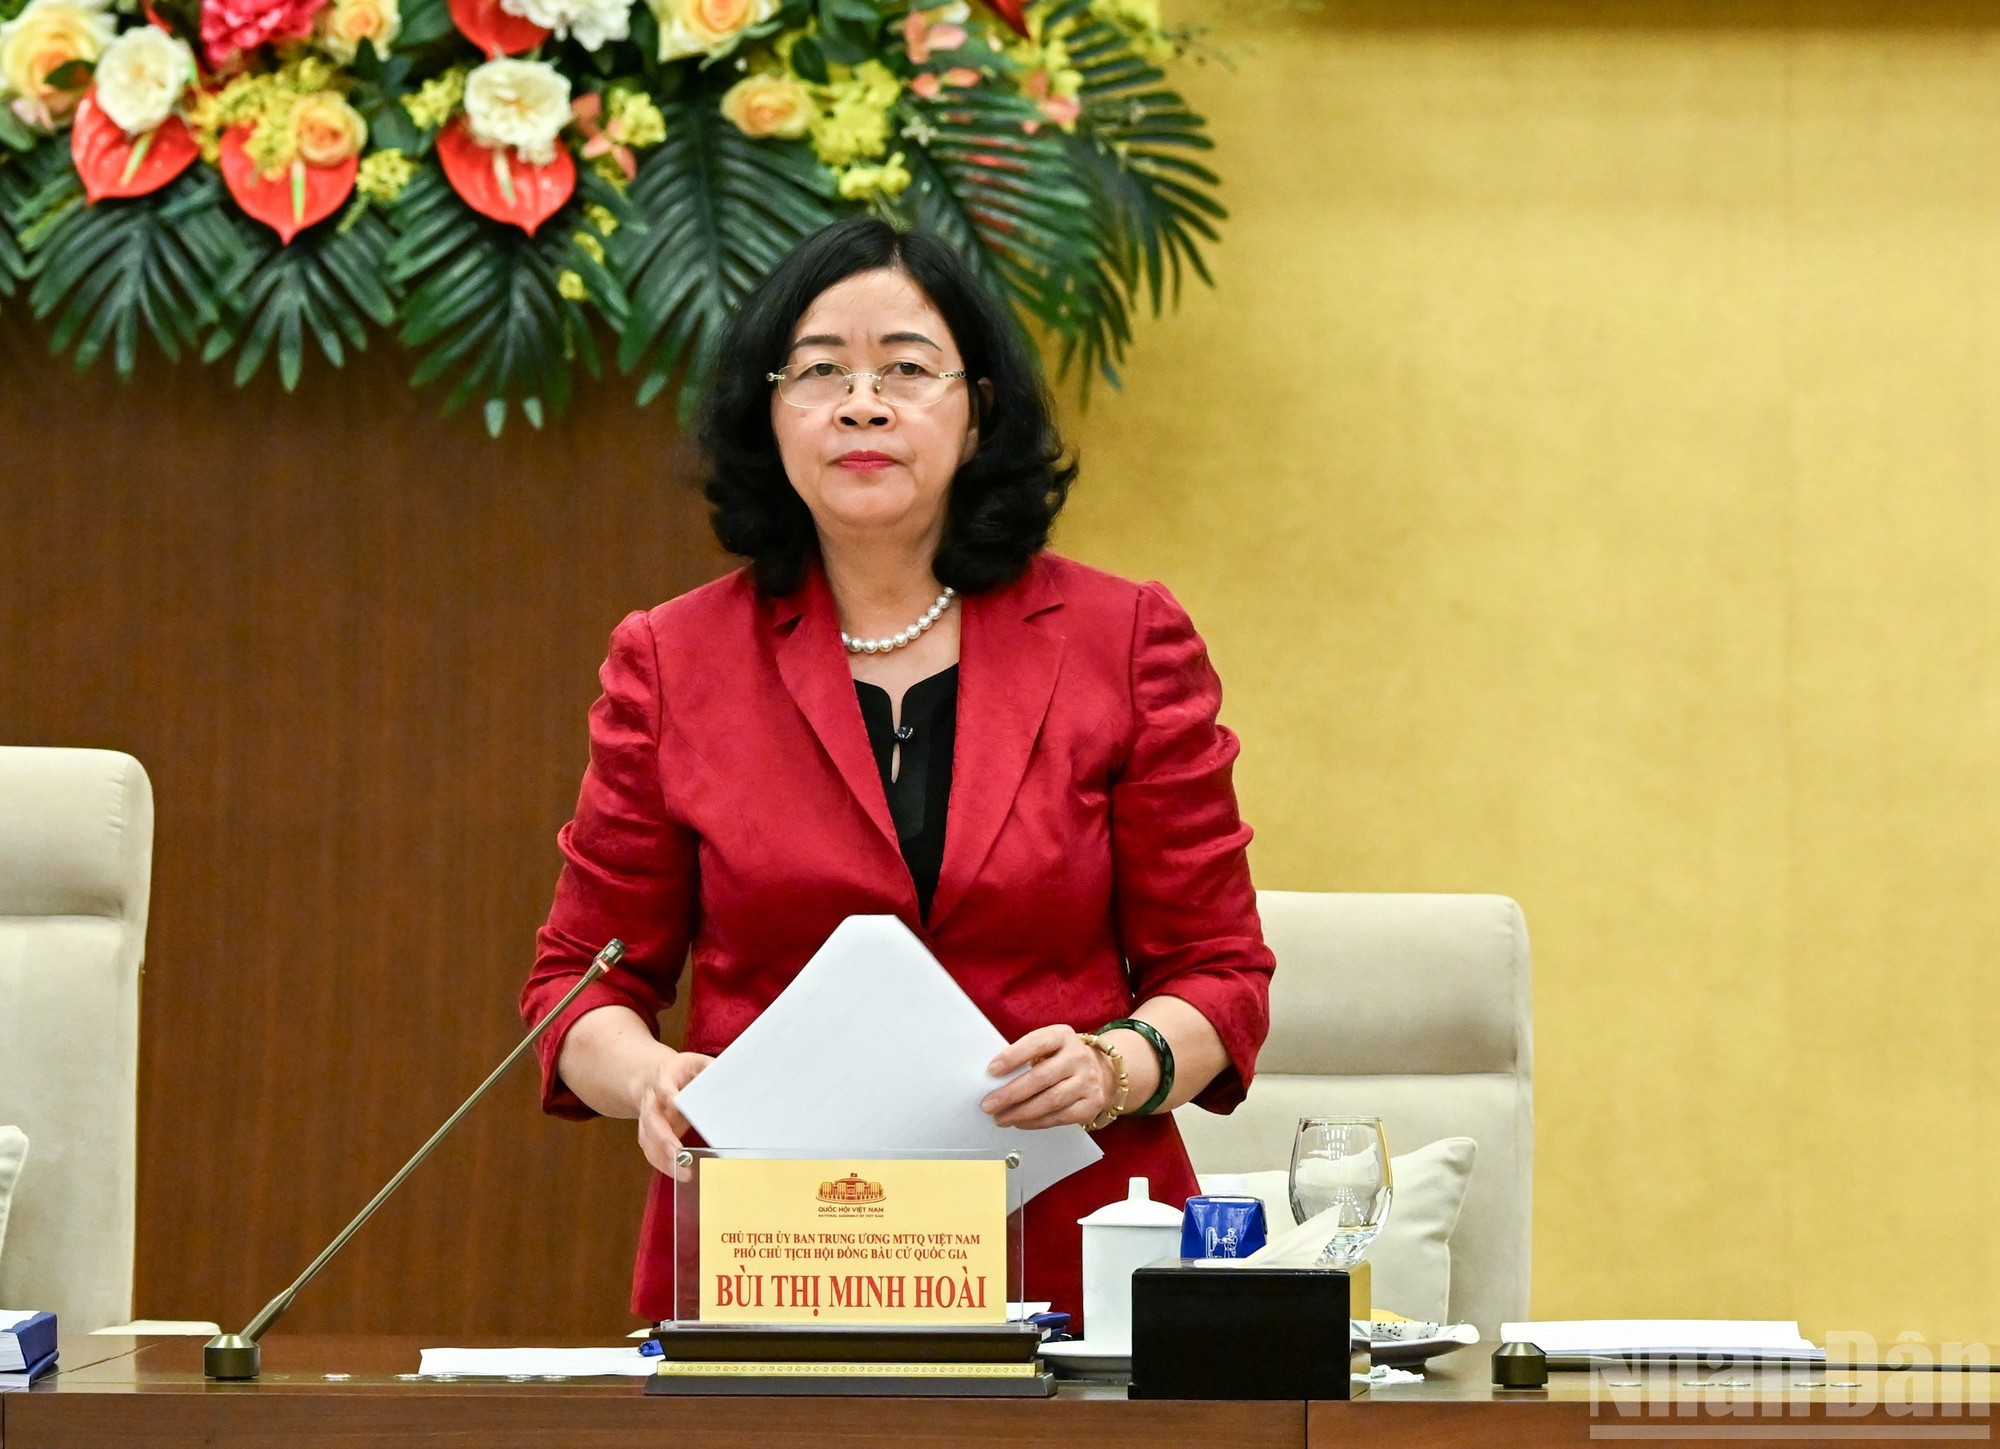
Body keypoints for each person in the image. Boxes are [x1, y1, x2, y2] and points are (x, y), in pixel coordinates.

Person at [520, 216, 1274, 1328]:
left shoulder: (1122, 639)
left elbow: (1217, 970)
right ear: (767, 415)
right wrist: (648, 1077)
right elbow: (582, 984)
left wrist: (1118, 1064)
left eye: (907, 370)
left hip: (1067, 1245)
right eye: (819, 370)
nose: (861, 403)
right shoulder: (674, 660)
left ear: (977, 415)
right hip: (775, 1256)